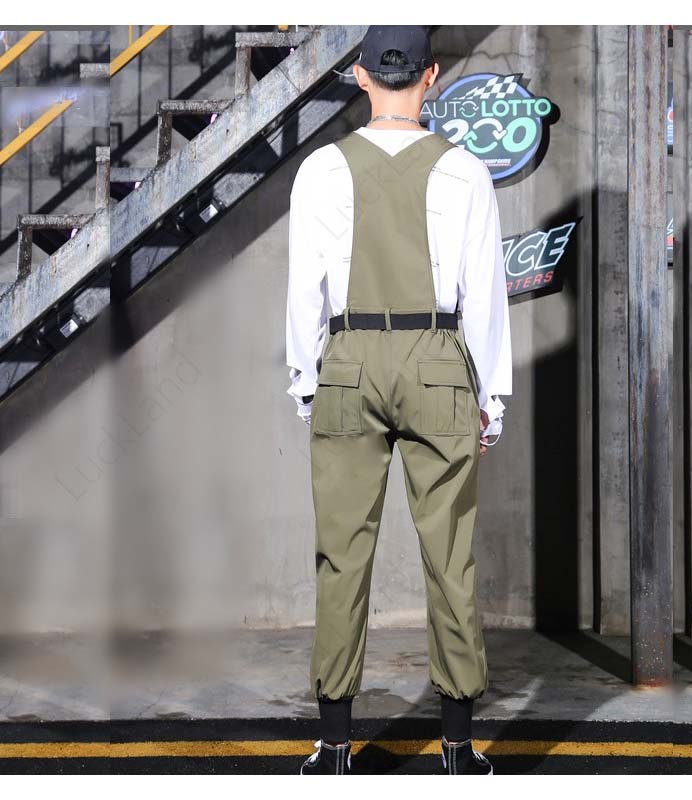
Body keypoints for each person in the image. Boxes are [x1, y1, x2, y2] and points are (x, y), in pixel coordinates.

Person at [285, 25, 512, 775]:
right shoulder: (466, 171)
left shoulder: (321, 169)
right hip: (437, 357)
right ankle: (458, 749)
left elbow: (304, 291)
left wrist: (307, 382)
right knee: (450, 557)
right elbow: (484, 295)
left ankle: (334, 748)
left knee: (341, 555)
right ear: (431, 75)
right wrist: (491, 397)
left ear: (358, 76)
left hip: (350, 357)